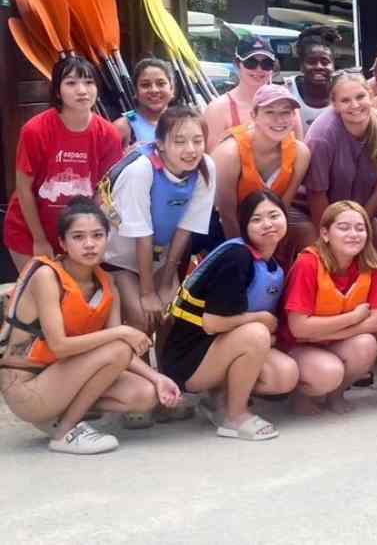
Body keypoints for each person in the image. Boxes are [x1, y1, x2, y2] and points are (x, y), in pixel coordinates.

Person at [0, 198, 181, 455]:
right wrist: (121, 332)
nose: (89, 244)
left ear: (108, 239)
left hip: (62, 379)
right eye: (78, 237)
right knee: (117, 345)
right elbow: (60, 346)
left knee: (145, 394)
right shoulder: (47, 276)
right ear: (62, 243)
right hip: (27, 388)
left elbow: (120, 357)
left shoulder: (107, 283)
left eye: (97, 235)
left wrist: (157, 377)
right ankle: (66, 431)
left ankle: (62, 414)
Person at [161, 190, 300, 441]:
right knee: (257, 333)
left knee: (284, 375)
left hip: (216, 349)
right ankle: (235, 417)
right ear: (244, 226)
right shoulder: (237, 257)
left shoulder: (272, 264)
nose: (267, 224)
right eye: (256, 219)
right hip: (188, 360)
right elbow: (212, 323)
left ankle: (218, 400)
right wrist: (261, 320)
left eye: (273, 215)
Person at [96, 106, 215, 344]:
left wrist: (167, 279)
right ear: (160, 144)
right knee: (143, 317)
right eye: (179, 141)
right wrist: (148, 292)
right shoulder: (141, 170)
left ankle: (166, 377)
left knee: (172, 314)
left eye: (197, 140)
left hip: (159, 255)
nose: (190, 150)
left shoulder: (205, 167)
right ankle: (139, 377)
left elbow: (186, 227)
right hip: (118, 257)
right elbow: (142, 235)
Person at [4, 56, 123, 272]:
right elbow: (23, 189)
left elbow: (102, 193)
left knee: (73, 299)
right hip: (29, 231)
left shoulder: (109, 135)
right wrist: (39, 239)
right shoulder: (35, 130)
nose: (82, 90)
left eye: (89, 82)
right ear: (57, 91)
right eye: (71, 83)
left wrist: (90, 238)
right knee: (38, 294)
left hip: (79, 235)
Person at [279, 201, 377, 414]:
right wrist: (353, 317)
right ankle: (301, 393)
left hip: (330, 340)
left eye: (360, 228)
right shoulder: (308, 264)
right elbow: (299, 328)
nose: (353, 234)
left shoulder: (372, 266)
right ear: (325, 234)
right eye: (344, 228)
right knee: (329, 372)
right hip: (298, 345)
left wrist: (324, 332)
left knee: (366, 345)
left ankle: (336, 394)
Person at [304, 71, 377, 255]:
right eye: (345, 100)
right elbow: (316, 194)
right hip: (311, 211)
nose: (355, 105)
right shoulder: (322, 136)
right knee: (320, 255)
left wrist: (361, 228)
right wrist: (331, 240)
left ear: (371, 95)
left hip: (361, 212)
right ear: (334, 105)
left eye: (360, 96)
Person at [211, 85, 313, 266]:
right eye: (270, 112)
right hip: (225, 227)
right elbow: (226, 214)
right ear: (254, 115)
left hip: (268, 224)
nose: (279, 119)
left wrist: (270, 255)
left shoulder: (300, 153)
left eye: (286, 112)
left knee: (309, 239)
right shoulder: (229, 153)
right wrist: (245, 259)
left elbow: (283, 208)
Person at [204, 36, 302, 151]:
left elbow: (298, 148)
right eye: (251, 63)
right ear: (237, 64)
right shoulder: (218, 109)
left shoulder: (287, 102)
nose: (259, 69)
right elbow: (213, 160)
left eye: (266, 63)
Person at [285, 26, 339, 135]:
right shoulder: (287, 91)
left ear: (333, 65)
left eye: (325, 61)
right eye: (311, 61)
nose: (319, 67)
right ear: (301, 65)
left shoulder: (343, 91)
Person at [113, 58, 175, 147]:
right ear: (135, 91)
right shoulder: (123, 126)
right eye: (145, 85)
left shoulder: (183, 123)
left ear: (172, 89)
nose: (154, 90)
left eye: (161, 84)